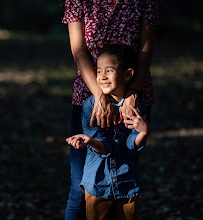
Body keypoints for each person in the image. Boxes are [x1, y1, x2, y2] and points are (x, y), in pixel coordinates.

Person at [61, 0, 160, 219]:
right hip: (89, 95)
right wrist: (98, 95)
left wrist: (133, 93)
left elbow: (145, 51)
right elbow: (79, 50)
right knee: (81, 188)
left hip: (133, 95)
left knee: (123, 183)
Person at [66, 44, 151, 220]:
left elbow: (130, 146)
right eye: (98, 71)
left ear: (128, 74)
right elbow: (105, 145)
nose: (102, 76)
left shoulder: (138, 107)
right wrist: (89, 141)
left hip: (127, 183)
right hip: (98, 183)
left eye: (109, 70)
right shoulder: (90, 106)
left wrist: (143, 133)